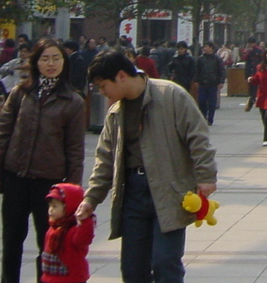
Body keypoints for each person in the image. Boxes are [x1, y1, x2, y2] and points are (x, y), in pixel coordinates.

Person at [77, 50, 216, 282]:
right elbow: (105, 160)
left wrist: (206, 175)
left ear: (121, 76)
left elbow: (198, 137)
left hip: (169, 191)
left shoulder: (170, 95)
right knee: (133, 270)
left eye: (103, 86)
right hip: (132, 193)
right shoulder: (115, 113)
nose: (102, 93)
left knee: (165, 264)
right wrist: (91, 199)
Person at [0, 39, 85, 283]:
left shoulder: (73, 101)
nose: (51, 63)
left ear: (64, 62)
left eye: (56, 58)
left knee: (49, 243)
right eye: (45, 58)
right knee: (12, 242)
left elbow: (75, 149)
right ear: (36, 63)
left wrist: (72, 191)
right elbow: (2, 133)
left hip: (49, 184)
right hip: (15, 177)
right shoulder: (21, 93)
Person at [40, 182, 93, 283]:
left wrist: (85, 221)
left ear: (69, 207)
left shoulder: (75, 229)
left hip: (71, 279)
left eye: (55, 206)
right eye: (50, 206)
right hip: (51, 278)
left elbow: (84, 239)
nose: (50, 210)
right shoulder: (54, 227)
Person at [248, 48, 267, 146]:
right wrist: (251, 79)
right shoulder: (260, 67)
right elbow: (257, 80)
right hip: (262, 95)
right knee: (264, 117)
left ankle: (266, 138)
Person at [195, 42, 224, 125]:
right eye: (204, 47)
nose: (205, 48)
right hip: (202, 83)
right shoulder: (200, 59)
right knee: (201, 101)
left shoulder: (217, 59)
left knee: (212, 102)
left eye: (206, 47)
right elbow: (197, 70)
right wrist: (196, 80)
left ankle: (210, 119)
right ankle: (203, 117)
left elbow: (221, 70)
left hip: (213, 83)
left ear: (211, 48)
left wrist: (221, 81)